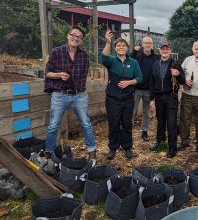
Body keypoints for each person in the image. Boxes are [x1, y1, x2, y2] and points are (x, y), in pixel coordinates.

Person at [44, 26, 96, 163]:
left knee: (86, 124)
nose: (76, 38)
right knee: (53, 125)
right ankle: (48, 154)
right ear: (68, 36)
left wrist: (84, 91)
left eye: (79, 37)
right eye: (73, 35)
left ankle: (92, 153)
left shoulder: (84, 55)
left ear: (81, 40)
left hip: (79, 95)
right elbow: (47, 73)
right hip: (60, 94)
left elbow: (83, 75)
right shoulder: (56, 52)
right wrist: (59, 75)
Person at [101, 31, 143, 160]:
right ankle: (113, 148)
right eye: (118, 45)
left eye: (123, 46)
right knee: (113, 123)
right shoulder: (112, 61)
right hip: (113, 99)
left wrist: (129, 82)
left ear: (127, 48)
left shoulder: (134, 63)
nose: (121, 47)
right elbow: (104, 58)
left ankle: (127, 148)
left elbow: (140, 78)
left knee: (126, 123)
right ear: (115, 48)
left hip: (128, 99)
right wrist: (108, 42)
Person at [149, 42, 186, 158]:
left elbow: (182, 81)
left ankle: (172, 148)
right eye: (163, 49)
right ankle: (160, 144)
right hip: (159, 97)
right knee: (160, 122)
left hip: (171, 97)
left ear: (170, 51)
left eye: (167, 49)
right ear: (160, 51)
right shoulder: (155, 64)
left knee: (171, 124)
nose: (165, 51)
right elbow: (152, 83)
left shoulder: (175, 64)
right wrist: (151, 99)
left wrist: (178, 74)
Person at [131, 36, 159, 141]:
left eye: (149, 43)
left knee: (146, 112)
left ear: (152, 45)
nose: (147, 45)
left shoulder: (156, 58)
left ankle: (145, 131)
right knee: (132, 111)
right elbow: (129, 58)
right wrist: (134, 50)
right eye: (146, 43)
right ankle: (128, 131)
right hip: (136, 89)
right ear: (142, 44)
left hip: (148, 89)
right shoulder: (136, 55)